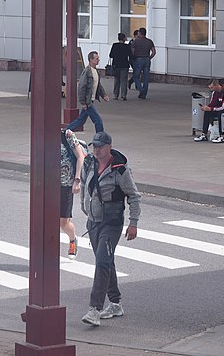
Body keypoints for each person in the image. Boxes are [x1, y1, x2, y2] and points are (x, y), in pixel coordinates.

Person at [80, 131, 141, 326]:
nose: (96, 150)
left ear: (109, 146)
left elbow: (134, 196)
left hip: (111, 223)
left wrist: (133, 223)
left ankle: (94, 309)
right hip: (94, 222)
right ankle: (115, 303)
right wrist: (84, 207)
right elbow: (83, 184)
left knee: (102, 263)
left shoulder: (121, 170)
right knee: (106, 261)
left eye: (100, 146)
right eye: (94, 146)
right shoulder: (89, 163)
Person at [66, 51, 109, 133]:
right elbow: (82, 87)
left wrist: (103, 95)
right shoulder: (87, 72)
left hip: (90, 100)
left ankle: (65, 131)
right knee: (98, 120)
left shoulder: (96, 71)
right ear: (91, 60)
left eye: (98, 58)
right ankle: (100, 137)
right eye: (96, 59)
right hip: (87, 101)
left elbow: (98, 85)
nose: (98, 60)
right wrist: (83, 102)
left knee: (81, 120)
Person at [61, 129, 87, 260]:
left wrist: (77, 180)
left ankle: (72, 239)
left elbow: (80, 156)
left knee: (63, 222)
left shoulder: (67, 135)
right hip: (48, 185)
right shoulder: (42, 135)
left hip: (66, 184)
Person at [194, 78, 224, 143]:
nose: (210, 88)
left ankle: (221, 136)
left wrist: (211, 109)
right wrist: (207, 108)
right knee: (207, 112)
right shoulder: (214, 92)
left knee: (221, 114)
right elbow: (212, 104)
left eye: (212, 87)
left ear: (217, 85)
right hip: (221, 109)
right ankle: (204, 134)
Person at [130, 27, 156, 99]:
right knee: (146, 77)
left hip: (138, 59)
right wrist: (149, 58)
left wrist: (134, 58)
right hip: (147, 59)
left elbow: (133, 51)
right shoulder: (149, 41)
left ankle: (141, 90)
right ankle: (144, 94)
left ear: (139, 33)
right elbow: (154, 52)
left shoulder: (136, 41)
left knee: (136, 76)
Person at [108, 33, 132, 100]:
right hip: (124, 65)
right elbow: (130, 55)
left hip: (116, 65)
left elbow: (111, 55)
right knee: (124, 80)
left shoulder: (115, 45)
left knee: (116, 80)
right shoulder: (127, 46)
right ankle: (123, 95)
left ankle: (116, 95)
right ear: (124, 38)